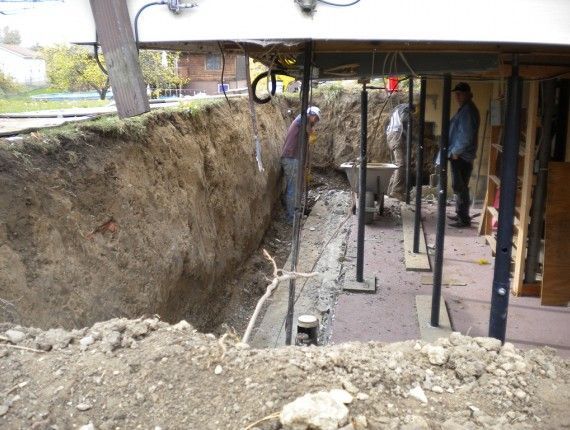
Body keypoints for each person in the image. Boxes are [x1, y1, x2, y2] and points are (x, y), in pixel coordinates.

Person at [448, 82, 480, 228]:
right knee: (460, 186)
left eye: (460, 93)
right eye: (456, 93)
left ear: (468, 94)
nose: (457, 96)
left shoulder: (468, 111)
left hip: (461, 155)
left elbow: (466, 136)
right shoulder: (465, 109)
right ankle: (461, 214)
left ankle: (464, 218)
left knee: (459, 187)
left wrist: (455, 152)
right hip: (462, 154)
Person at [281, 106, 321, 223]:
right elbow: (308, 127)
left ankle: (294, 213)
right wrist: (312, 133)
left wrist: (305, 164)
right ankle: (291, 218)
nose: (315, 122)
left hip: (294, 159)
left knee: (295, 187)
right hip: (291, 158)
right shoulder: (302, 119)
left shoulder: (303, 122)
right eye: (316, 119)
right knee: (293, 189)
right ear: (311, 115)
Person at [386, 103, 414, 200]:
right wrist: (410, 136)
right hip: (396, 135)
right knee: (401, 164)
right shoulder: (406, 109)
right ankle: (396, 191)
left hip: (390, 135)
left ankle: (390, 190)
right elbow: (404, 120)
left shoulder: (396, 109)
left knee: (397, 164)